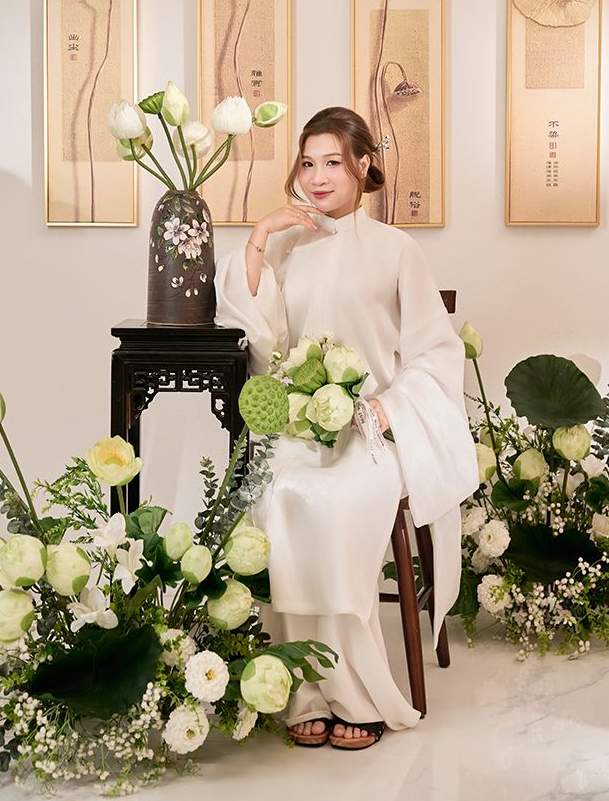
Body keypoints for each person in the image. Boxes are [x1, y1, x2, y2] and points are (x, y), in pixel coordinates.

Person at [214, 106, 478, 750]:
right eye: (308, 163)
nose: (319, 176)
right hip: (297, 428)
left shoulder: (396, 249)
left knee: (339, 502)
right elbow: (259, 336)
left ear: (363, 164)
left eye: (333, 161)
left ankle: (354, 691)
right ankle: (301, 687)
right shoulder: (285, 246)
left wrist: (388, 408)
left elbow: (434, 351)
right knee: (278, 494)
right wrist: (259, 234)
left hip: (368, 430)